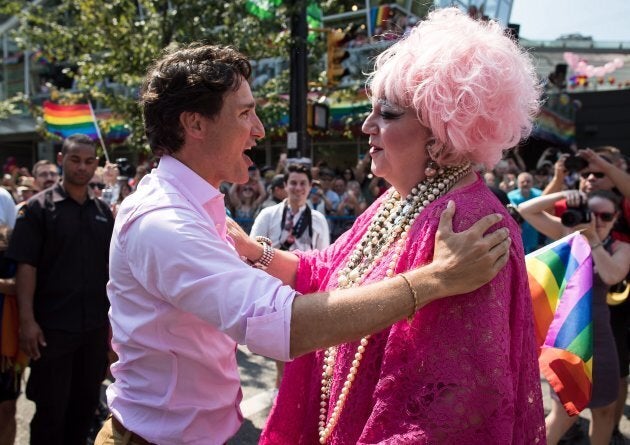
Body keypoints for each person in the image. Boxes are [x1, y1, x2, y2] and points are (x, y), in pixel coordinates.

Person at [95, 42, 511, 445]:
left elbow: (333, 267)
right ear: (196, 125)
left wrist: (259, 254)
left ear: (440, 132)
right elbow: (284, 323)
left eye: (385, 113)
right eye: (245, 113)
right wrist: (433, 280)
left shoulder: (462, 216)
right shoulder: (165, 221)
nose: (259, 129)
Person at [237, 8, 546, 444]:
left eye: (388, 114)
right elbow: (329, 270)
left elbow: (458, 407)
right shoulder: (398, 199)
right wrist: (256, 252)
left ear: (442, 132)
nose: (367, 126)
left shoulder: (470, 221)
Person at [6, 134, 114, 445]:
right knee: (50, 415)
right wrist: (27, 321)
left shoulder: (103, 212)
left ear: (96, 164)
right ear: (60, 161)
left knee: (83, 411)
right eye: (75, 159)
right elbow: (26, 267)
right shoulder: (37, 209)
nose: (82, 167)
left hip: (93, 330)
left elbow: (111, 274)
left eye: (89, 161)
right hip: (51, 331)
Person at [517, 189, 630, 445]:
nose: (597, 221)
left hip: (601, 339)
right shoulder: (568, 237)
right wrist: (566, 193)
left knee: (604, 412)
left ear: (616, 218)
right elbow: (525, 209)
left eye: (605, 215)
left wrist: (594, 239)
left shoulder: (621, 247)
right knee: (563, 414)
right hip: (568, 338)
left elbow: (613, 276)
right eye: (592, 214)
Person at [250, 163, 330, 388]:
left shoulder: (318, 219)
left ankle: (295, 396)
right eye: (293, 183)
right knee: (281, 349)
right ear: (284, 186)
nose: (298, 188)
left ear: (309, 187)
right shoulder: (268, 214)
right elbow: (251, 247)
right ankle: (280, 393)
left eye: (302, 183)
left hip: (306, 290)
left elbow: (324, 258)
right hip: (275, 288)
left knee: (306, 352)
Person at [507, 172, 543, 253]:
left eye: (528, 181)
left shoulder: (539, 195)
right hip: (519, 234)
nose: (525, 184)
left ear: (532, 183)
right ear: (518, 184)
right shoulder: (510, 196)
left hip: (536, 232)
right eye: (522, 182)